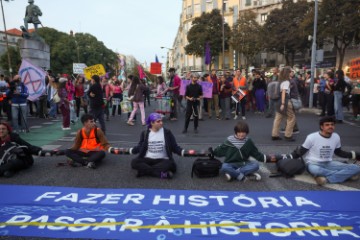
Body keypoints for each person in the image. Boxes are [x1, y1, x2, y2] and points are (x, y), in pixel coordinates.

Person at [285, 116, 360, 186]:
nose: (330, 126)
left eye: (332, 124)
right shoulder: (312, 137)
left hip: (328, 163)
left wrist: (355, 155)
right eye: (327, 125)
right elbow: (301, 152)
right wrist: (283, 157)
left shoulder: (336, 136)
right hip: (313, 164)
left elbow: (338, 152)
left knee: (356, 168)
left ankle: (326, 179)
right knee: (316, 170)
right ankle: (345, 175)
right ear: (322, 127)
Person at [210, 121, 275, 182]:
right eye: (239, 133)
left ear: (246, 133)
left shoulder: (248, 141)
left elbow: (256, 154)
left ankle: (233, 174)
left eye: (243, 134)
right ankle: (242, 175)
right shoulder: (229, 140)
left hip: (243, 163)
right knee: (224, 166)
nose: (241, 135)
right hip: (230, 163)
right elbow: (219, 151)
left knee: (256, 165)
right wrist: (212, 152)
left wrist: (267, 158)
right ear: (236, 132)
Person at [130, 113, 184, 179]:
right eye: (158, 121)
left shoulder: (167, 132)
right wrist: (132, 150)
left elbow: (174, 147)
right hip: (148, 159)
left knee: (171, 165)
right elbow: (140, 146)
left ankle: (145, 172)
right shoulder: (145, 133)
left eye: (161, 121)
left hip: (163, 160)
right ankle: (162, 175)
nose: (161, 123)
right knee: (134, 162)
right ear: (152, 123)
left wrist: (182, 152)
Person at [271, 66, 296, 142]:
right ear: (288, 73)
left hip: (278, 101)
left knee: (278, 117)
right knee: (291, 118)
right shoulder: (286, 82)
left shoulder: (280, 81)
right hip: (285, 101)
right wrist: (283, 103)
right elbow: (283, 93)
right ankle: (288, 135)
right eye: (291, 71)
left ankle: (274, 135)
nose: (292, 73)